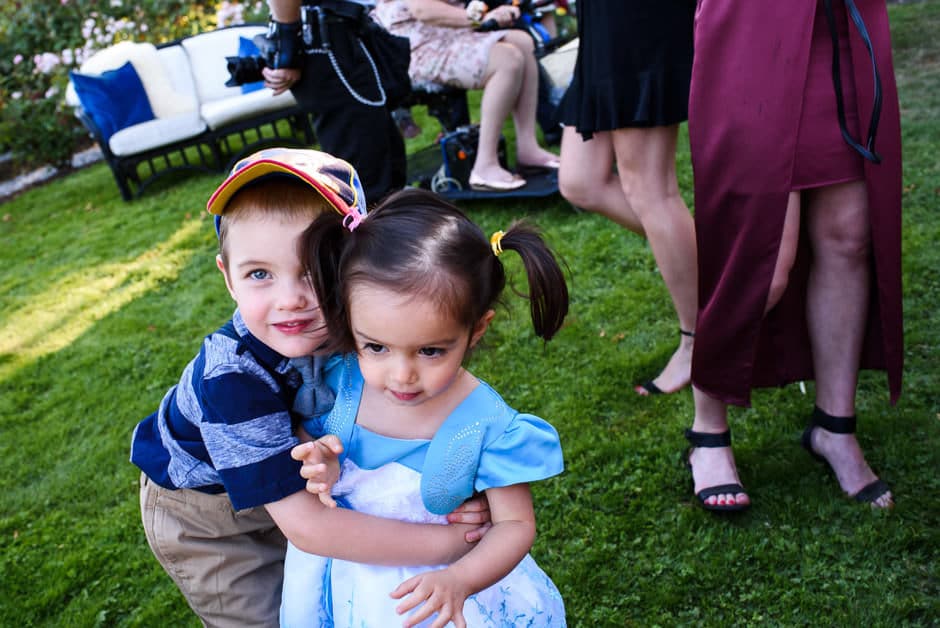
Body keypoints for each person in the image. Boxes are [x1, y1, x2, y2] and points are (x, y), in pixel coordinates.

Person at [130, 148, 494, 627]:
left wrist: (461, 481)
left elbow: (410, 415)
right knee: (271, 617)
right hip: (207, 513)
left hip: (292, 473)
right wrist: (455, 544)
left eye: (311, 270)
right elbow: (312, 529)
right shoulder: (232, 380)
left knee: (324, 596)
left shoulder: (363, 328)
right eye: (259, 274)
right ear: (228, 278)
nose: (291, 301)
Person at [280, 188, 569, 626]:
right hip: (352, 586)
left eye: (430, 351)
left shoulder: (485, 424)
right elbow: (315, 441)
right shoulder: (341, 383)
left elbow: (515, 526)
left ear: (476, 330)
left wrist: (461, 580)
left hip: (449, 595)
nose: (401, 374)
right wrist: (321, 460)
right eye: (375, 346)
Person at [685, 0, 902, 510]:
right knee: (762, 258)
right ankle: (707, 430)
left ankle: (835, 426)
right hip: (752, 26)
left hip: (840, 25)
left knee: (849, 234)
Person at [557, 1, 698, 397]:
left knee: (650, 188)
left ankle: (699, 341)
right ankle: (726, 272)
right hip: (601, 22)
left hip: (633, 19)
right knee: (580, 180)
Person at [372, 0, 562, 191]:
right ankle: (484, 165)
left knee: (521, 41)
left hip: (448, 34)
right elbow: (423, 9)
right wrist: (480, 18)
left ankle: (528, 149)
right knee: (507, 59)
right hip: (412, 47)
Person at [262, 0, 409, 203]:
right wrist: (288, 47)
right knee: (364, 176)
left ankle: (389, 223)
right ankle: (368, 229)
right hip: (326, 38)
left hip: (345, 30)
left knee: (386, 162)